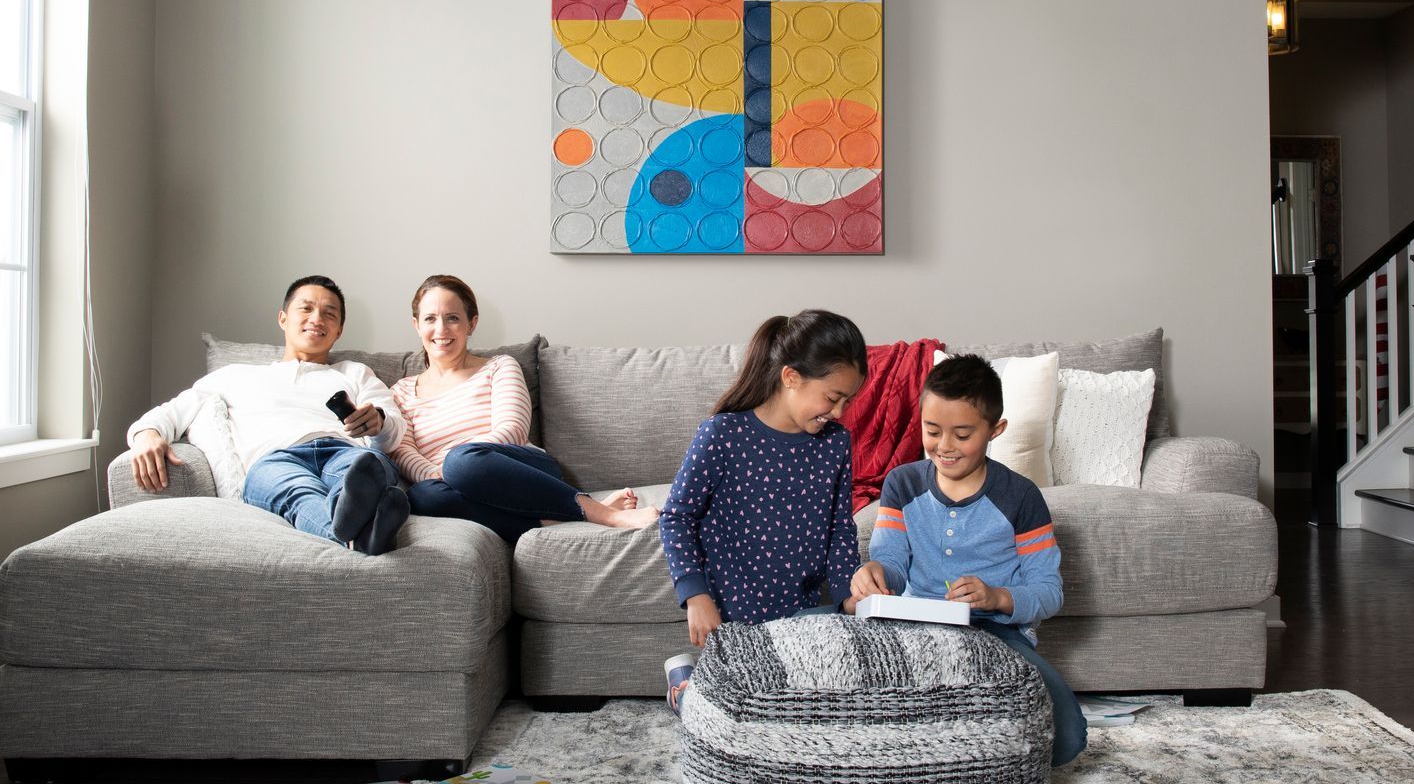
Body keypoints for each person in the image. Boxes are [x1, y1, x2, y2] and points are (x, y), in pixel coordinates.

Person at [848, 353, 1087, 766]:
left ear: (996, 430)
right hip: (912, 626)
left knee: (1067, 741)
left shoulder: (1021, 497)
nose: (945, 447)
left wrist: (996, 597)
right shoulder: (903, 484)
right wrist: (873, 573)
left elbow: (1048, 591)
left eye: (962, 434)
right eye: (933, 430)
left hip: (996, 635)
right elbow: (891, 562)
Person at [127, 275, 412, 555]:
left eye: (329, 314)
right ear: (283, 319)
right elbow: (173, 410)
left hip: (342, 450)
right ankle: (363, 535)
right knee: (298, 493)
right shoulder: (236, 375)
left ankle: (355, 520)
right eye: (306, 308)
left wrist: (379, 422)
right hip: (275, 459)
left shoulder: (356, 373)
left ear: (338, 330)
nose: (317, 318)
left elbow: (394, 428)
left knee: (362, 470)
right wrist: (146, 434)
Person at [660, 310, 868, 657]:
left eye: (849, 401)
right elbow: (676, 518)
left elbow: (839, 529)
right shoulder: (722, 434)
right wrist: (696, 595)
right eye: (833, 398)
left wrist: (849, 595)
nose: (840, 412)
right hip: (732, 622)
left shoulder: (836, 443)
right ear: (791, 377)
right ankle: (683, 681)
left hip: (805, 620)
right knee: (743, 707)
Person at [391, 273, 658, 543]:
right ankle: (553, 518)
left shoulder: (499, 367)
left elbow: (513, 430)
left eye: (453, 318)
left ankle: (606, 516)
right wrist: (436, 474)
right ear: (416, 325)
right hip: (448, 482)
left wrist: (455, 463)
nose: (441, 330)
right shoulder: (401, 391)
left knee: (463, 462)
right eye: (430, 319)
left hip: (519, 469)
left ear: (471, 324)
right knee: (422, 495)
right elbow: (402, 451)